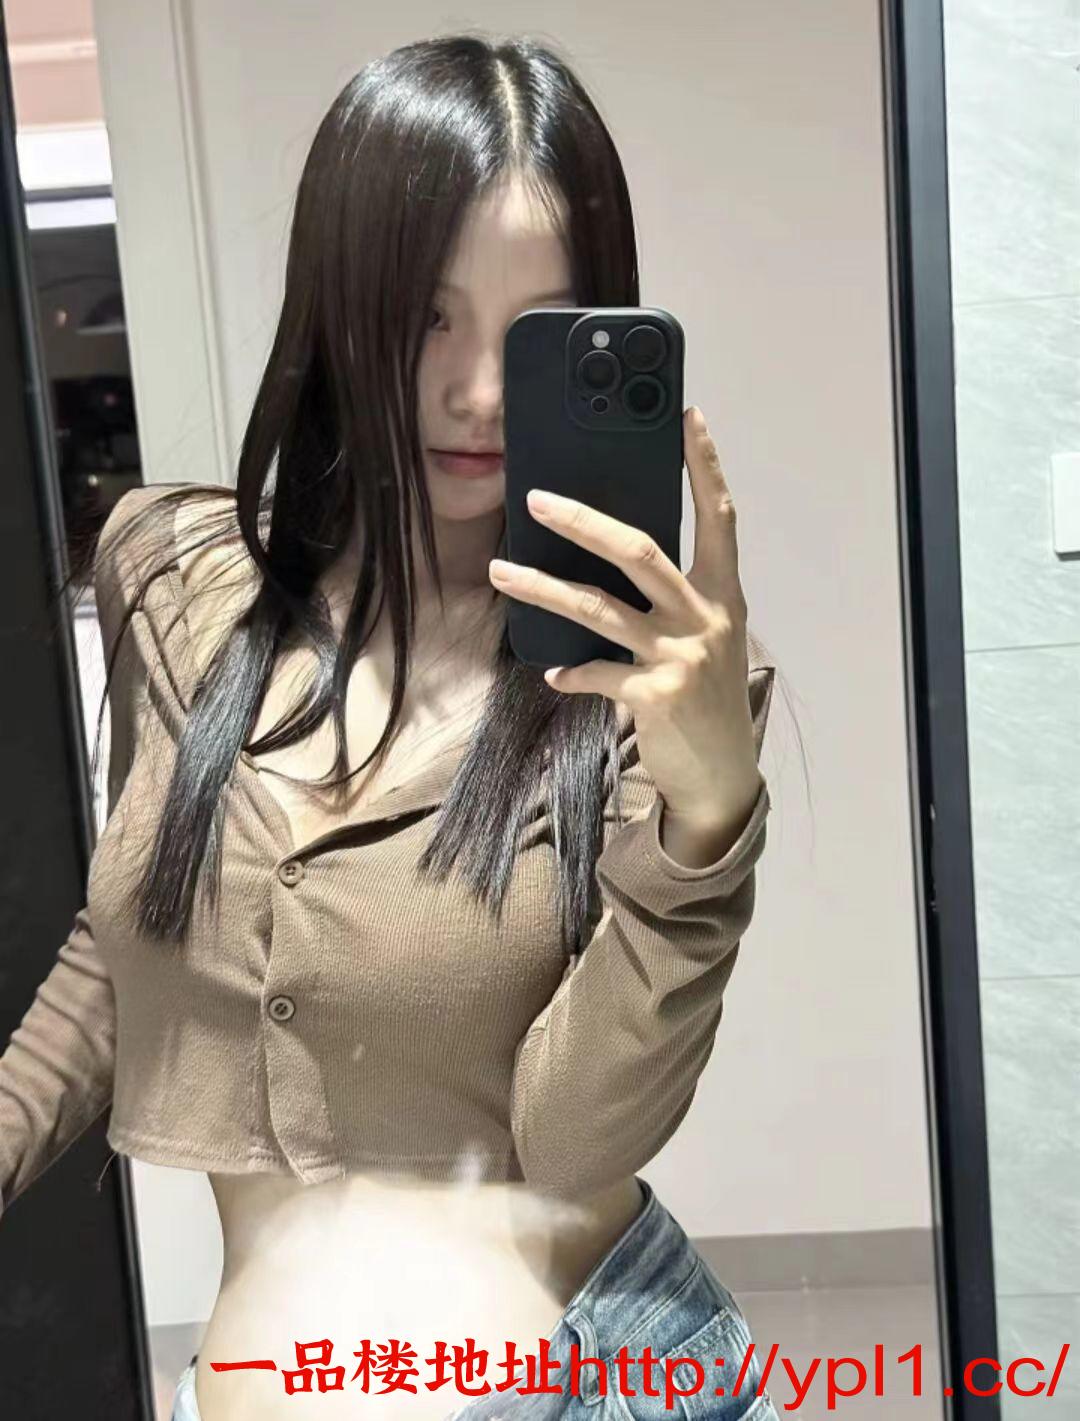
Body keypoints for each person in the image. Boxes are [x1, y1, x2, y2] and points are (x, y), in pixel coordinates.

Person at [0, 34, 784, 1421]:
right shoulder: (173, 581)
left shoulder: (652, 685)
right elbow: (130, 935)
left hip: (580, 1386)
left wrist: (704, 827)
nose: (478, 390)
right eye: (428, 316)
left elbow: (576, 1140)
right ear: (338, 304)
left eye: (533, 330)